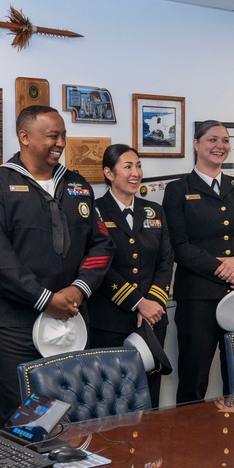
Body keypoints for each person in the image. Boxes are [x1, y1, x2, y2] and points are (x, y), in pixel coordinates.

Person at [0, 105, 114, 429]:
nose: (61, 142)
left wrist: (79, 288)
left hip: (73, 319)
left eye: (63, 135)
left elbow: (103, 244)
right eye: (52, 136)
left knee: (73, 408)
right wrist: (45, 298)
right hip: (15, 324)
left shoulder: (78, 185)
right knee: (22, 415)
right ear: (24, 137)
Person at [162, 120, 234, 403]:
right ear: (196, 144)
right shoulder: (178, 190)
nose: (219, 146)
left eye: (224, 141)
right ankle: (193, 445)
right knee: (193, 379)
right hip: (199, 298)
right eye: (212, 140)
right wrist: (226, 269)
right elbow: (179, 246)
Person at [87, 144, 174, 407]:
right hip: (109, 321)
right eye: (127, 167)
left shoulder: (153, 211)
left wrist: (153, 303)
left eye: (138, 166)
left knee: (149, 392)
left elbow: (165, 260)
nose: (135, 173)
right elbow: (99, 264)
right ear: (109, 173)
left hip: (152, 320)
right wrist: (138, 302)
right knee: (111, 395)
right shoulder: (94, 211)